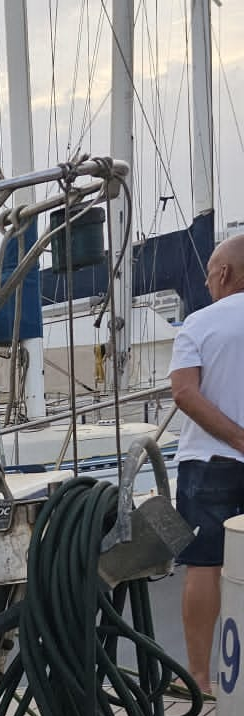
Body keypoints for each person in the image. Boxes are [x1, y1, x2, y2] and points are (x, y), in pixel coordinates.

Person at [167, 234, 244, 691]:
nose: (205, 279)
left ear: (224, 274)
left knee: (204, 563)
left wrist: (236, 437)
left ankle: (198, 676)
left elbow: (183, 393)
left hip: (209, 460)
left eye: (209, 272)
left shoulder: (199, 323)